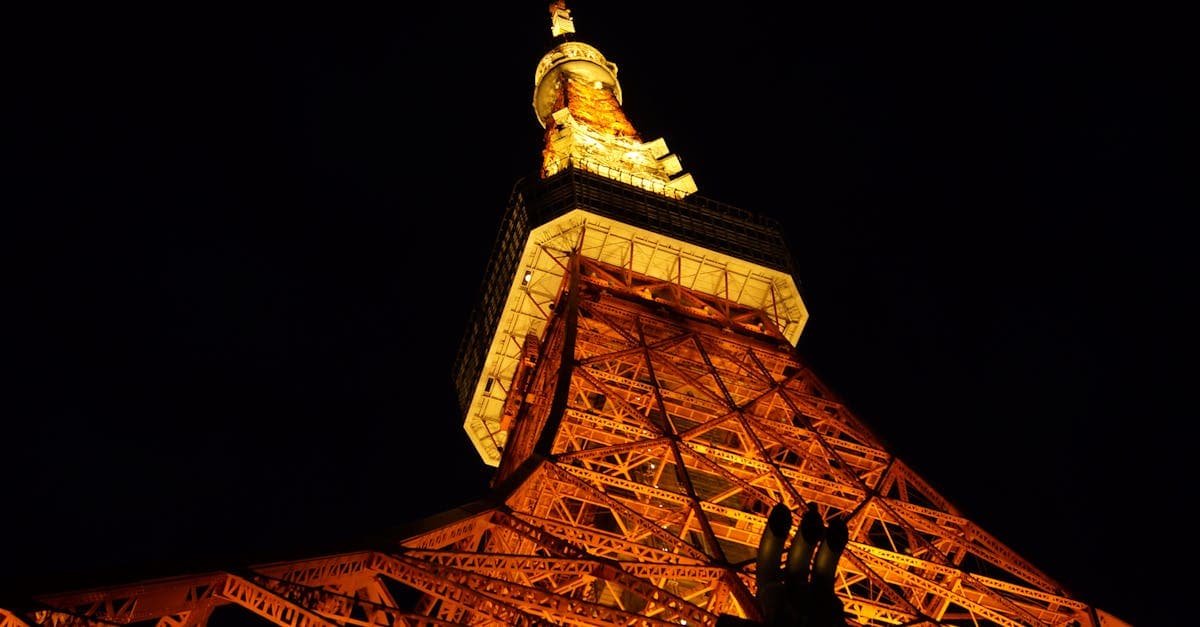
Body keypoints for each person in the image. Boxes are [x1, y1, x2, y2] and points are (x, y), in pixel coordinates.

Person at [718, 502, 848, 626]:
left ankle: (815, 540)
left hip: (805, 604)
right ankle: (809, 538)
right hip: (802, 604)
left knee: (804, 577)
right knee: (787, 578)